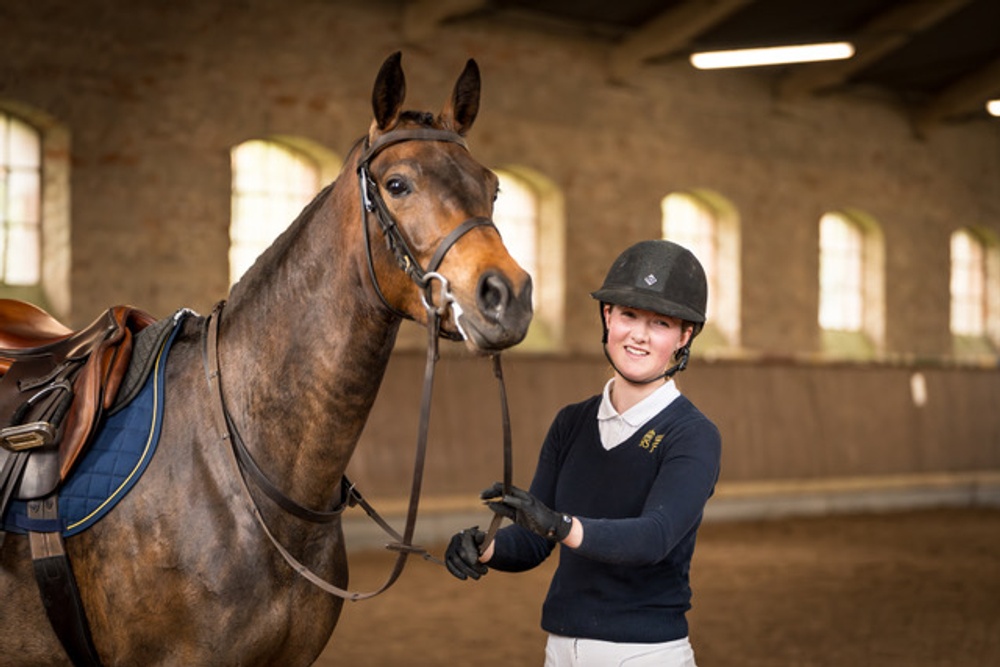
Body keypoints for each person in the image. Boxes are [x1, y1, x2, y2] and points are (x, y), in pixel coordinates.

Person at [445, 239, 722, 667]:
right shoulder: (571, 423)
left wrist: (559, 524)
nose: (640, 336)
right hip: (560, 649)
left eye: (661, 324)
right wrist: (485, 548)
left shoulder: (693, 434)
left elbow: (654, 538)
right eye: (628, 315)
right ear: (608, 316)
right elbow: (537, 542)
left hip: (644, 654)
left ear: (684, 336)